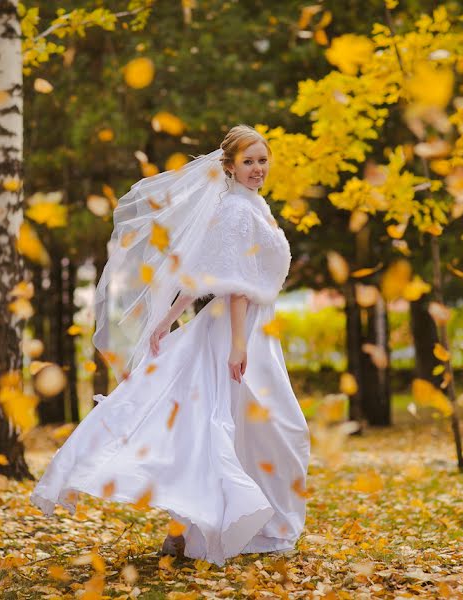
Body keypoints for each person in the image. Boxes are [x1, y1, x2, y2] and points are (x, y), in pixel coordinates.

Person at [29, 125, 311, 566]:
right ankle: (209, 527)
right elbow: (234, 287)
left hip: (249, 325)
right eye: (249, 162)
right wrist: (237, 345)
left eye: (262, 160)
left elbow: (207, 274)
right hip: (240, 330)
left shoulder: (247, 205)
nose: (258, 169)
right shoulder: (237, 210)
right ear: (231, 167)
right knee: (253, 424)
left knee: (234, 424)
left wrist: (166, 318)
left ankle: (192, 529)